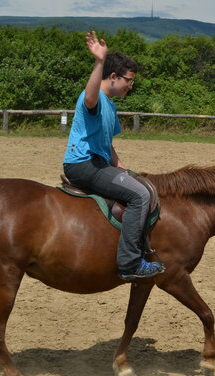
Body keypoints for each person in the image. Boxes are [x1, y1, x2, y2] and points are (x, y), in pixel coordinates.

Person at [62, 31, 164, 281]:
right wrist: (99, 61)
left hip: (98, 162)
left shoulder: (111, 105)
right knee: (140, 196)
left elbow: (108, 146)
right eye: (129, 80)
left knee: (139, 185)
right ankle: (129, 264)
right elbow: (89, 96)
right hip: (83, 164)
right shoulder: (95, 99)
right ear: (114, 76)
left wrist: (125, 170)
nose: (131, 86)